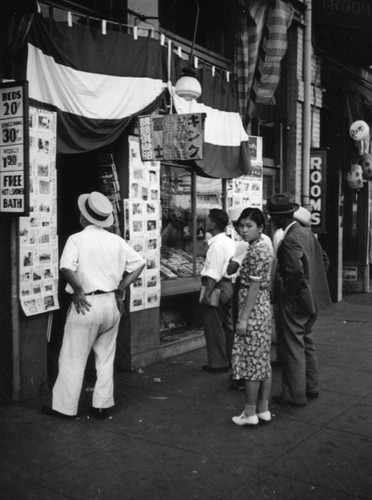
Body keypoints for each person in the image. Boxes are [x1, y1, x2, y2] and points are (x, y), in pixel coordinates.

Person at [43, 192, 145, 419]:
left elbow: (66, 267)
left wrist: (79, 290)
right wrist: (120, 287)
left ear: (84, 216)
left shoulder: (77, 239)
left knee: (72, 357)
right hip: (111, 303)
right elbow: (139, 263)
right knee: (106, 357)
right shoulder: (116, 241)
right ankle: (102, 405)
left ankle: (64, 408)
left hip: (86, 304)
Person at [268, 193, 331, 407]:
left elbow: (294, 272)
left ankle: (295, 395)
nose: (270, 220)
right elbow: (324, 259)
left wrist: (290, 295)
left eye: (271, 216)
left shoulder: (290, 239)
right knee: (306, 342)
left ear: (279, 218)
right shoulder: (305, 233)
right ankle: (311, 387)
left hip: (296, 302)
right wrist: (313, 284)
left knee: (293, 347)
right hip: (312, 299)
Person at [231, 208, 273, 426]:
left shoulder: (256, 252)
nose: (244, 230)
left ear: (260, 228)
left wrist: (243, 318)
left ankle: (249, 413)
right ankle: (263, 408)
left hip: (253, 309)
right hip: (263, 308)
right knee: (263, 362)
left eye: (249, 226)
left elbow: (254, 286)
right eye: (241, 225)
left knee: (251, 365)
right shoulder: (264, 248)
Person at [200, 208, 235, 373]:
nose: (205, 222)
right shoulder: (228, 241)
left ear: (213, 223)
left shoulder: (216, 245)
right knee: (227, 325)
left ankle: (218, 363)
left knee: (213, 326)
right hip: (229, 286)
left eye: (207, 220)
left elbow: (213, 273)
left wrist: (207, 293)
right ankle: (230, 358)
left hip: (218, 287)